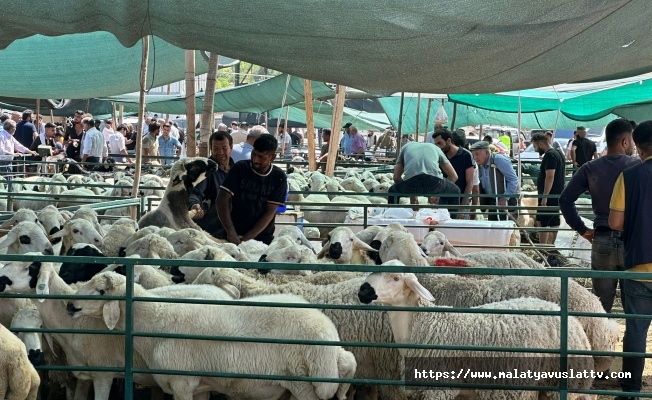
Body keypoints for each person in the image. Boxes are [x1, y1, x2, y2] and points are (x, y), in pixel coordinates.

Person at [560, 118, 639, 313]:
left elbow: (565, 200)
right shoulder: (638, 166)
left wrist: (583, 229)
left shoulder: (590, 168)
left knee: (600, 306)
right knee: (634, 304)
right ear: (625, 141)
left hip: (602, 239)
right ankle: (632, 343)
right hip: (633, 241)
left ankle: (599, 342)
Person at [609, 120, 652, 399]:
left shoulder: (629, 175)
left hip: (639, 265)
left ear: (636, 146)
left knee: (635, 330)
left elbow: (614, 221)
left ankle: (631, 390)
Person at [217, 135, 288, 245]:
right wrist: (231, 232)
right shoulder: (240, 168)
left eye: (261, 157)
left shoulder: (279, 177)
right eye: (253, 154)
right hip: (233, 234)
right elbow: (222, 199)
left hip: (262, 239)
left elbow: (270, 212)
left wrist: (246, 240)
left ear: (272, 157)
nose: (255, 160)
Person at [189, 131, 235, 237]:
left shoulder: (236, 170)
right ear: (211, 149)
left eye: (224, 148)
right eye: (216, 148)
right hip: (209, 232)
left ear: (231, 148)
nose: (220, 152)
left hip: (231, 230)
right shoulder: (204, 170)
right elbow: (196, 192)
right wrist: (195, 205)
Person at [387, 141, 460, 206]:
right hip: (434, 183)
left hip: (411, 183)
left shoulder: (405, 147)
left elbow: (396, 177)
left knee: (393, 191)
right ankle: (452, 218)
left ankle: (392, 217)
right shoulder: (435, 148)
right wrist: (439, 194)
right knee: (455, 190)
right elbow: (454, 176)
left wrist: (412, 196)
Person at [530, 132, 565, 245]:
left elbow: (550, 176)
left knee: (546, 221)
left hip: (549, 194)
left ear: (541, 144)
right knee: (547, 220)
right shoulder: (558, 153)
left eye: (535, 146)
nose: (535, 150)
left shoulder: (550, 155)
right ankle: (549, 247)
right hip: (554, 193)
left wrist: (545, 197)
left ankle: (547, 248)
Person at [470, 141, 519, 221]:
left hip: (506, 200)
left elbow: (513, 180)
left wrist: (505, 198)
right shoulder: (480, 164)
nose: (475, 158)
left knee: (506, 228)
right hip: (492, 201)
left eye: (477, 154)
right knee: (493, 228)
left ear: (486, 152)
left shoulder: (499, 160)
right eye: (474, 155)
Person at [432, 129, 475, 213]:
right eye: (436, 144)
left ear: (448, 140)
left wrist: (461, 208)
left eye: (440, 143)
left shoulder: (466, 155)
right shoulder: (440, 156)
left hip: (461, 200)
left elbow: (470, 183)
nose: (438, 147)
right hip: (442, 201)